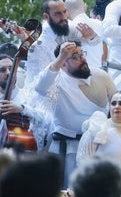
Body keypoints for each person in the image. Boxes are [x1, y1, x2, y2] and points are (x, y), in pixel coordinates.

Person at [34, 41, 116, 187]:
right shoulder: (56, 80)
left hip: (100, 147)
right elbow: (40, 88)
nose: (83, 59)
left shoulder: (101, 75)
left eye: (82, 54)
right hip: (68, 149)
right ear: (63, 64)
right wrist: (60, 58)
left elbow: (118, 103)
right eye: (75, 57)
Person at [25, 0, 97, 85]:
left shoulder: (70, 26)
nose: (63, 17)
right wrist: (60, 59)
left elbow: (92, 46)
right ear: (46, 17)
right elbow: (38, 84)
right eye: (57, 14)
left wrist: (92, 37)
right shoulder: (38, 45)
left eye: (64, 12)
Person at [0, 54, 51, 151]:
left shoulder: (29, 95)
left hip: (24, 153)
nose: (8, 73)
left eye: (11, 69)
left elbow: (45, 119)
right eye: (2, 70)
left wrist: (23, 109)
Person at [65, 0, 105, 69]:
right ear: (85, 6)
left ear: (66, 12)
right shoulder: (99, 23)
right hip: (99, 70)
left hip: (78, 72)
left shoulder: (69, 27)